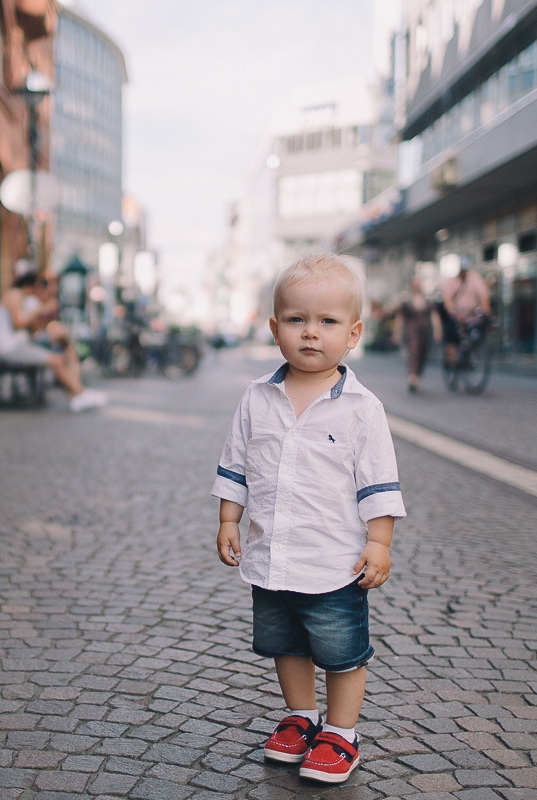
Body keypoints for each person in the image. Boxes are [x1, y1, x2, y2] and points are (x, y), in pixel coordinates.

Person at [211, 253, 405, 784]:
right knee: (286, 644)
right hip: (271, 555)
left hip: (334, 562)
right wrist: (229, 520)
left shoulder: (362, 408)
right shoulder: (257, 398)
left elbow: (379, 484)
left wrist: (379, 543)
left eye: (327, 321)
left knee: (342, 653)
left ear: (354, 333)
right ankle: (301, 716)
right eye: (297, 320)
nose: (311, 332)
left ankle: (342, 731)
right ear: (275, 329)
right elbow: (235, 464)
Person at [0, 270, 106, 412]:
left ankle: (77, 396)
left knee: (64, 351)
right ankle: (80, 393)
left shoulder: (21, 298)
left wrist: (45, 315)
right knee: (56, 360)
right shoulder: (14, 294)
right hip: (9, 348)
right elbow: (18, 323)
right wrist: (40, 309)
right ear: (30, 286)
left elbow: (31, 329)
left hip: (18, 345)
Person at [392, 276, 441, 392]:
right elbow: (400, 318)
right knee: (414, 353)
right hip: (411, 331)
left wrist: (437, 330)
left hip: (425, 331)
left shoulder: (427, 299)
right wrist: (396, 333)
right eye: (415, 283)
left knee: (423, 354)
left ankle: (417, 376)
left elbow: (434, 316)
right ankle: (412, 377)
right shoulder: (406, 300)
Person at [440, 263, 491, 367]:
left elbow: (483, 296)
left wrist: (486, 311)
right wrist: (454, 313)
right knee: (452, 331)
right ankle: (452, 359)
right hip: (456, 313)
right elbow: (448, 300)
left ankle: (470, 355)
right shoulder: (452, 281)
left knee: (478, 329)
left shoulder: (474, 279)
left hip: (471, 314)